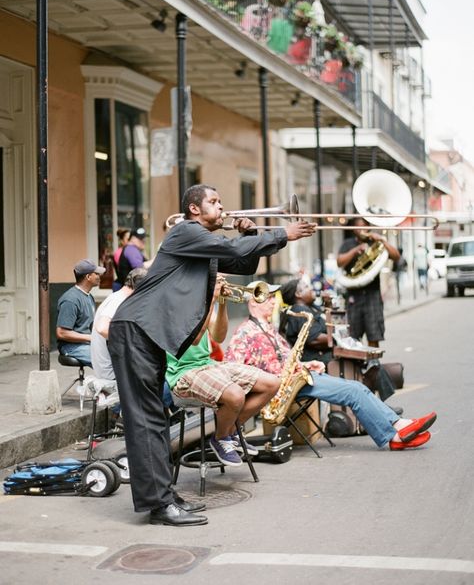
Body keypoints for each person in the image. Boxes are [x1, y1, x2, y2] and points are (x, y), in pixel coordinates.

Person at [108, 183, 315, 527]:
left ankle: (164, 496)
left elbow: (242, 261)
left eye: (221, 201)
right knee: (145, 421)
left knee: (156, 419)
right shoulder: (184, 232)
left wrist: (256, 234)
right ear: (193, 209)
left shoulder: (202, 245)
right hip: (135, 330)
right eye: (214, 202)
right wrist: (283, 233)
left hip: (148, 335)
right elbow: (231, 246)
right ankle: (159, 505)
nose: (222, 208)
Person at [224, 290, 436, 452]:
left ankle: (396, 429)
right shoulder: (244, 332)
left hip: (293, 380)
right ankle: (397, 432)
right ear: (253, 302)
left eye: (273, 297)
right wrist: (263, 384)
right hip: (279, 389)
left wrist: (307, 365)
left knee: (355, 387)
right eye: (268, 298)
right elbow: (232, 368)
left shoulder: (270, 329)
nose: (273, 302)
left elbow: (287, 360)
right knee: (354, 391)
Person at [166, 275, 280, 466]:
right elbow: (194, 337)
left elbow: (218, 336)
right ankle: (220, 438)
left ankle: (230, 432)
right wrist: (211, 298)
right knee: (235, 395)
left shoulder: (200, 304)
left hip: (208, 365)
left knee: (272, 383)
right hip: (183, 373)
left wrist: (222, 302)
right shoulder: (171, 306)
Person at [337, 217, 400, 348]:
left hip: (372, 295)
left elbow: (396, 256)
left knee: (374, 334)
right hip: (354, 295)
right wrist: (355, 251)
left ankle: (374, 365)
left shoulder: (376, 242)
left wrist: (382, 240)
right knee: (353, 335)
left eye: (365, 226)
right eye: (359, 227)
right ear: (354, 229)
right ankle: (357, 366)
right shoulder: (348, 244)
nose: (362, 230)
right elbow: (339, 262)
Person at [91, 267, 148, 381]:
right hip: (110, 373)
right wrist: (132, 342)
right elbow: (102, 328)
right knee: (161, 384)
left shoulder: (116, 297)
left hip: (110, 366)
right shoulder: (118, 301)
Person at [56, 259, 105, 366]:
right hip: (71, 347)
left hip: (86, 344)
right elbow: (61, 333)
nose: (99, 277)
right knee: (106, 362)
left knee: (118, 355)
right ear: (88, 277)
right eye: (96, 274)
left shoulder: (88, 297)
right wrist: (91, 338)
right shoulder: (70, 300)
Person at [279, 278, 332, 366]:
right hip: (315, 363)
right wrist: (336, 338)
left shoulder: (310, 307)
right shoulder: (300, 311)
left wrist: (328, 303)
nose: (311, 288)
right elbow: (315, 339)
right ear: (298, 294)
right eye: (307, 287)